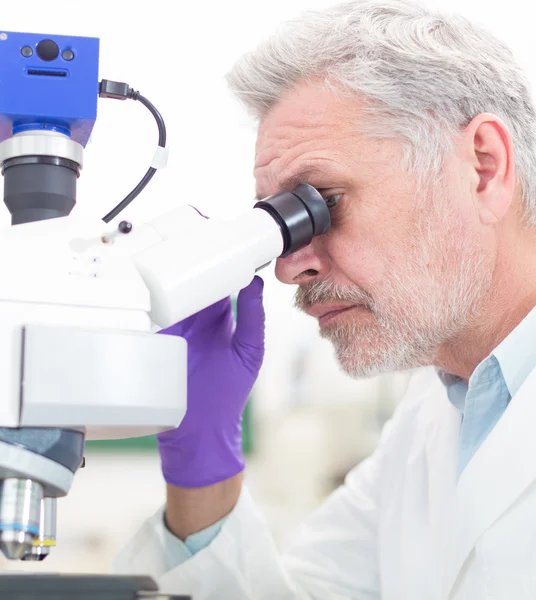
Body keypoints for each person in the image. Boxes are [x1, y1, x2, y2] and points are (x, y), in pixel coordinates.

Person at [113, 1, 536, 598]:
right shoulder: (433, 421)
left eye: (322, 203)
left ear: (483, 169)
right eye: (279, 223)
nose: (290, 266)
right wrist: (202, 461)